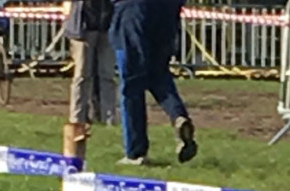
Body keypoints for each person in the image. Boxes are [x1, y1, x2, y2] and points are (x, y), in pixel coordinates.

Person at [108, 0, 196, 166]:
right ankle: (178, 115)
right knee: (159, 74)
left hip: (132, 11)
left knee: (131, 84)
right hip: (166, 11)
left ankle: (135, 152)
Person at [65, 0, 116, 127]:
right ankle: (77, 118)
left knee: (107, 76)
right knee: (82, 75)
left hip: (106, 27)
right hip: (83, 28)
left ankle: (109, 118)